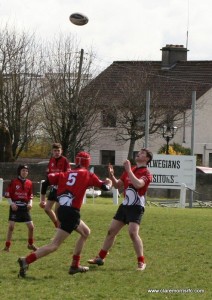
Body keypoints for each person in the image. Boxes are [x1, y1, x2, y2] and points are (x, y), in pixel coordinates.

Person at [18, 151, 112, 278]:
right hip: (71, 212)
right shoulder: (88, 174)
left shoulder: (66, 173)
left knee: (85, 232)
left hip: (61, 210)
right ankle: (26, 260)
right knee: (54, 245)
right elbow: (106, 188)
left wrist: (42, 199)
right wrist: (109, 181)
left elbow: (46, 182)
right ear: (87, 162)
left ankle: (75, 265)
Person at [88, 148, 153, 271]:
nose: (139, 153)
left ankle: (141, 262)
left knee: (133, 233)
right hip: (125, 206)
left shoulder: (147, 173)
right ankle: (100, 258)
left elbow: (139, 184)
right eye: (139, 152)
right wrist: (112, 175)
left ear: (147, 159)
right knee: (111, 231)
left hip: (136, 207)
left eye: (143, 153)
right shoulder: (132, 170)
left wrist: (128, 170)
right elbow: (118, 185)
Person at [3, 165, 37, 252]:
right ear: (19, 172)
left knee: (31, 227)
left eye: (26, 171)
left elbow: (30, 196)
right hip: (15, 207)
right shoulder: (13, 182)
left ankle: (30, 244)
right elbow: (7, 194)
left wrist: (30, 203)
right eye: (23, 171)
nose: (25, 172)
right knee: (11, 227)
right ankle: (7, 247)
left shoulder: (29, 182)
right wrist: (12, 204)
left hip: (24, 207)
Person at [40, 142, 71, 228]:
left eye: (58, 150)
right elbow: (49, 177)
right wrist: (43, 200)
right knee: (47, 209)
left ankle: (60, 231)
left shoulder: (65, 160)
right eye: (55, 151)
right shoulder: (51, 160)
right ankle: (57, 225)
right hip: (54, 189)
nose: (57, 152)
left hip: (62, 189)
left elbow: (68, 175)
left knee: (57, 211)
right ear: (52, 151)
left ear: (61, 151)